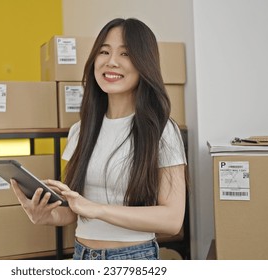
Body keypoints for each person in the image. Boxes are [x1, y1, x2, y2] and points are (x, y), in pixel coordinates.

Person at [11, 17, 187, 260]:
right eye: (104, 51)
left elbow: (172, 220)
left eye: (125, 54)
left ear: (144, 64)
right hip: (82, 255)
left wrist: (98, 210)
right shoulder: (80, 130)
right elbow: (73, 212)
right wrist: (45, 216)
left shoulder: (161, 130)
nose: (111, 61)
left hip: (133, 257)